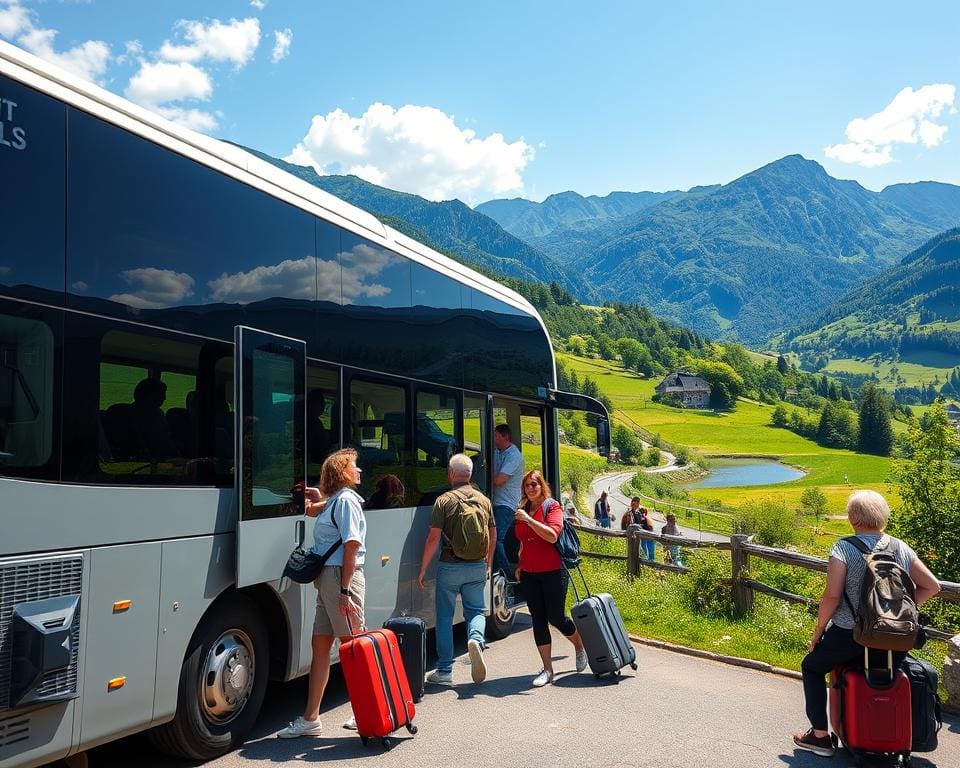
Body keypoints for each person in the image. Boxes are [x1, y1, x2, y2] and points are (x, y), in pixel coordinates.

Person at [792, 490, 941, 757]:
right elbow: (932, 586)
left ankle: (820, 737)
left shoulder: (843, 547)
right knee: (889, 676)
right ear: (882, 517)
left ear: (853, 518)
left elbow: (832, 596)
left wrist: (818, 632)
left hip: (849, 635)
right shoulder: (901, 547)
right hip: (894, 639)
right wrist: (899, 613)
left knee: (812, 667)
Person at [279, 448, 367, 738]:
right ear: (342, 472)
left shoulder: (346, 502)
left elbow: (352, 545)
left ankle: (367, 710)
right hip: (329, 580)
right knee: (321, 647)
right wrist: (316, 498)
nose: (359, 471)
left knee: (352, 647)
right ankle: (310, 719)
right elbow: (321, 511)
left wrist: (344, 589)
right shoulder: (338, 501)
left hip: (339, 579)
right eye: (355, 467)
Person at [417, 453, 496, 686]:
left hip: (450, 566)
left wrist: (422, 569)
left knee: (444, 618)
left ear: (451, 474)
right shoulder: (484, 500)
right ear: (470, 475)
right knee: (476, 612)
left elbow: (433, 539)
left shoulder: (444, 501)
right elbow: (492, 535)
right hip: (476, 566)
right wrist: (488, 563)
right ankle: (475, 640)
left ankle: (444, 672)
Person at [513, 469, 588, 687]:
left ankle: (579, 645)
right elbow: (523, 541)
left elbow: (552, 535)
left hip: (554, 571)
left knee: (556, 617)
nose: (531, 488)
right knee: (538, 618)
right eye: (527, 485)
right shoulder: (522, 509)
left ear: (542, 486)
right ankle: (547, 669)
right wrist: (520, 564)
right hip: (530, 573)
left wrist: (528, 520)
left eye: (534, 484)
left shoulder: (552, 507)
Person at [492, 423, 524, 575]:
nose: (494, 439)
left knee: (496, 539)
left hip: (506, 504)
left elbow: (499, 480)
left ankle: (507, 576)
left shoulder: (514, 456)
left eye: (496, 436)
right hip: (496, 502)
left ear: (505, 437)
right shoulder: (498, 452)